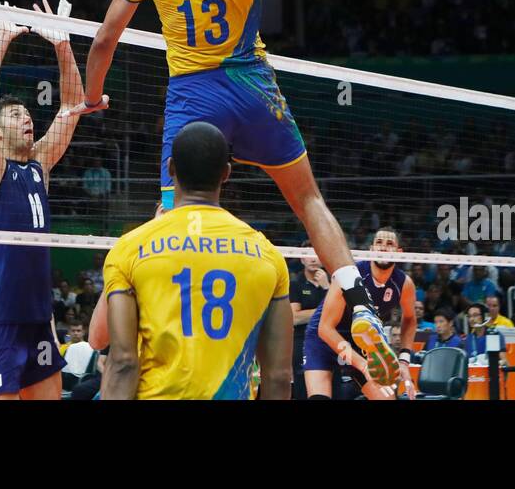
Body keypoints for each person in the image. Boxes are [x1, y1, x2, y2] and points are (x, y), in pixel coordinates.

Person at [78, 0, 398, 384]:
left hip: (192, 99)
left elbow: (106, 38)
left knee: (167, 220)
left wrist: (91, 98)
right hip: (253, 87)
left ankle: (133, 338)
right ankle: (357, 298)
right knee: (308, 198)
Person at [102, 121, 294, 399]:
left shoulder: (130, 248)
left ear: (171, 168)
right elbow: (278, 375)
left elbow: (122, 362)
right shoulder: (268, 255)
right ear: (226, 174)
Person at [0, 0, 84, 400]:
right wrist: (3, 37)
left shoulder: (39, 166)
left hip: (38, 318)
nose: (27, 117)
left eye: (27, 113)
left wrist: (63, 45)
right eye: (15, 115)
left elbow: (71, 107)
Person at [301, 227, 416, 400]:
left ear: (399, 252)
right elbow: (325, 329)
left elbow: (410, 319)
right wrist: (363, 366)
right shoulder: (349, 275)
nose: (383, 248)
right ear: (371, 250)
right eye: (379, 243)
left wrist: (404, 361)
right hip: (324, 339)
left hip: (361, 343)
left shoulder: (403, 284)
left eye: (390, 244)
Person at [289, 242, 329, 399]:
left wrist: (327, 288)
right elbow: (295, 318)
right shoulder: (295, 284)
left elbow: (339, 314)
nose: (313, 258)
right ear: (302, 259)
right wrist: (324, 311)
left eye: (317, 254)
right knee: (302, 390)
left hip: (327, 342)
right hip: (302, 343)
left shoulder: (332, 282)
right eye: (308, 254)